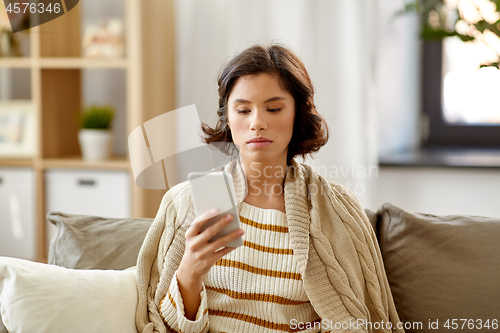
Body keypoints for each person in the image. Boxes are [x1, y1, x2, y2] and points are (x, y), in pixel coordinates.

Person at [135, 44, 404, 333]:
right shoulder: (184, 202)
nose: (257, 123)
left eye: (273, 108)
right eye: (243, 110)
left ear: (297, 113)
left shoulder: (337, 209)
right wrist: (189, 273)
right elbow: (158, 324)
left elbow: (355, 322)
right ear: (228, 117)